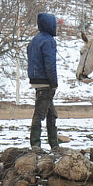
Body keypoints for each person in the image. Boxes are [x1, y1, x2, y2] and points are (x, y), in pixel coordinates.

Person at [26, 12, 61, 150]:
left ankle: (54, 144)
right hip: (45, 81)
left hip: (35, 79)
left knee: (51, 113)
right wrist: (54, 82)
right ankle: (36, 144)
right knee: (40, 113)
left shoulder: (34, 40)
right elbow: (50, 64)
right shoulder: (49, 41)